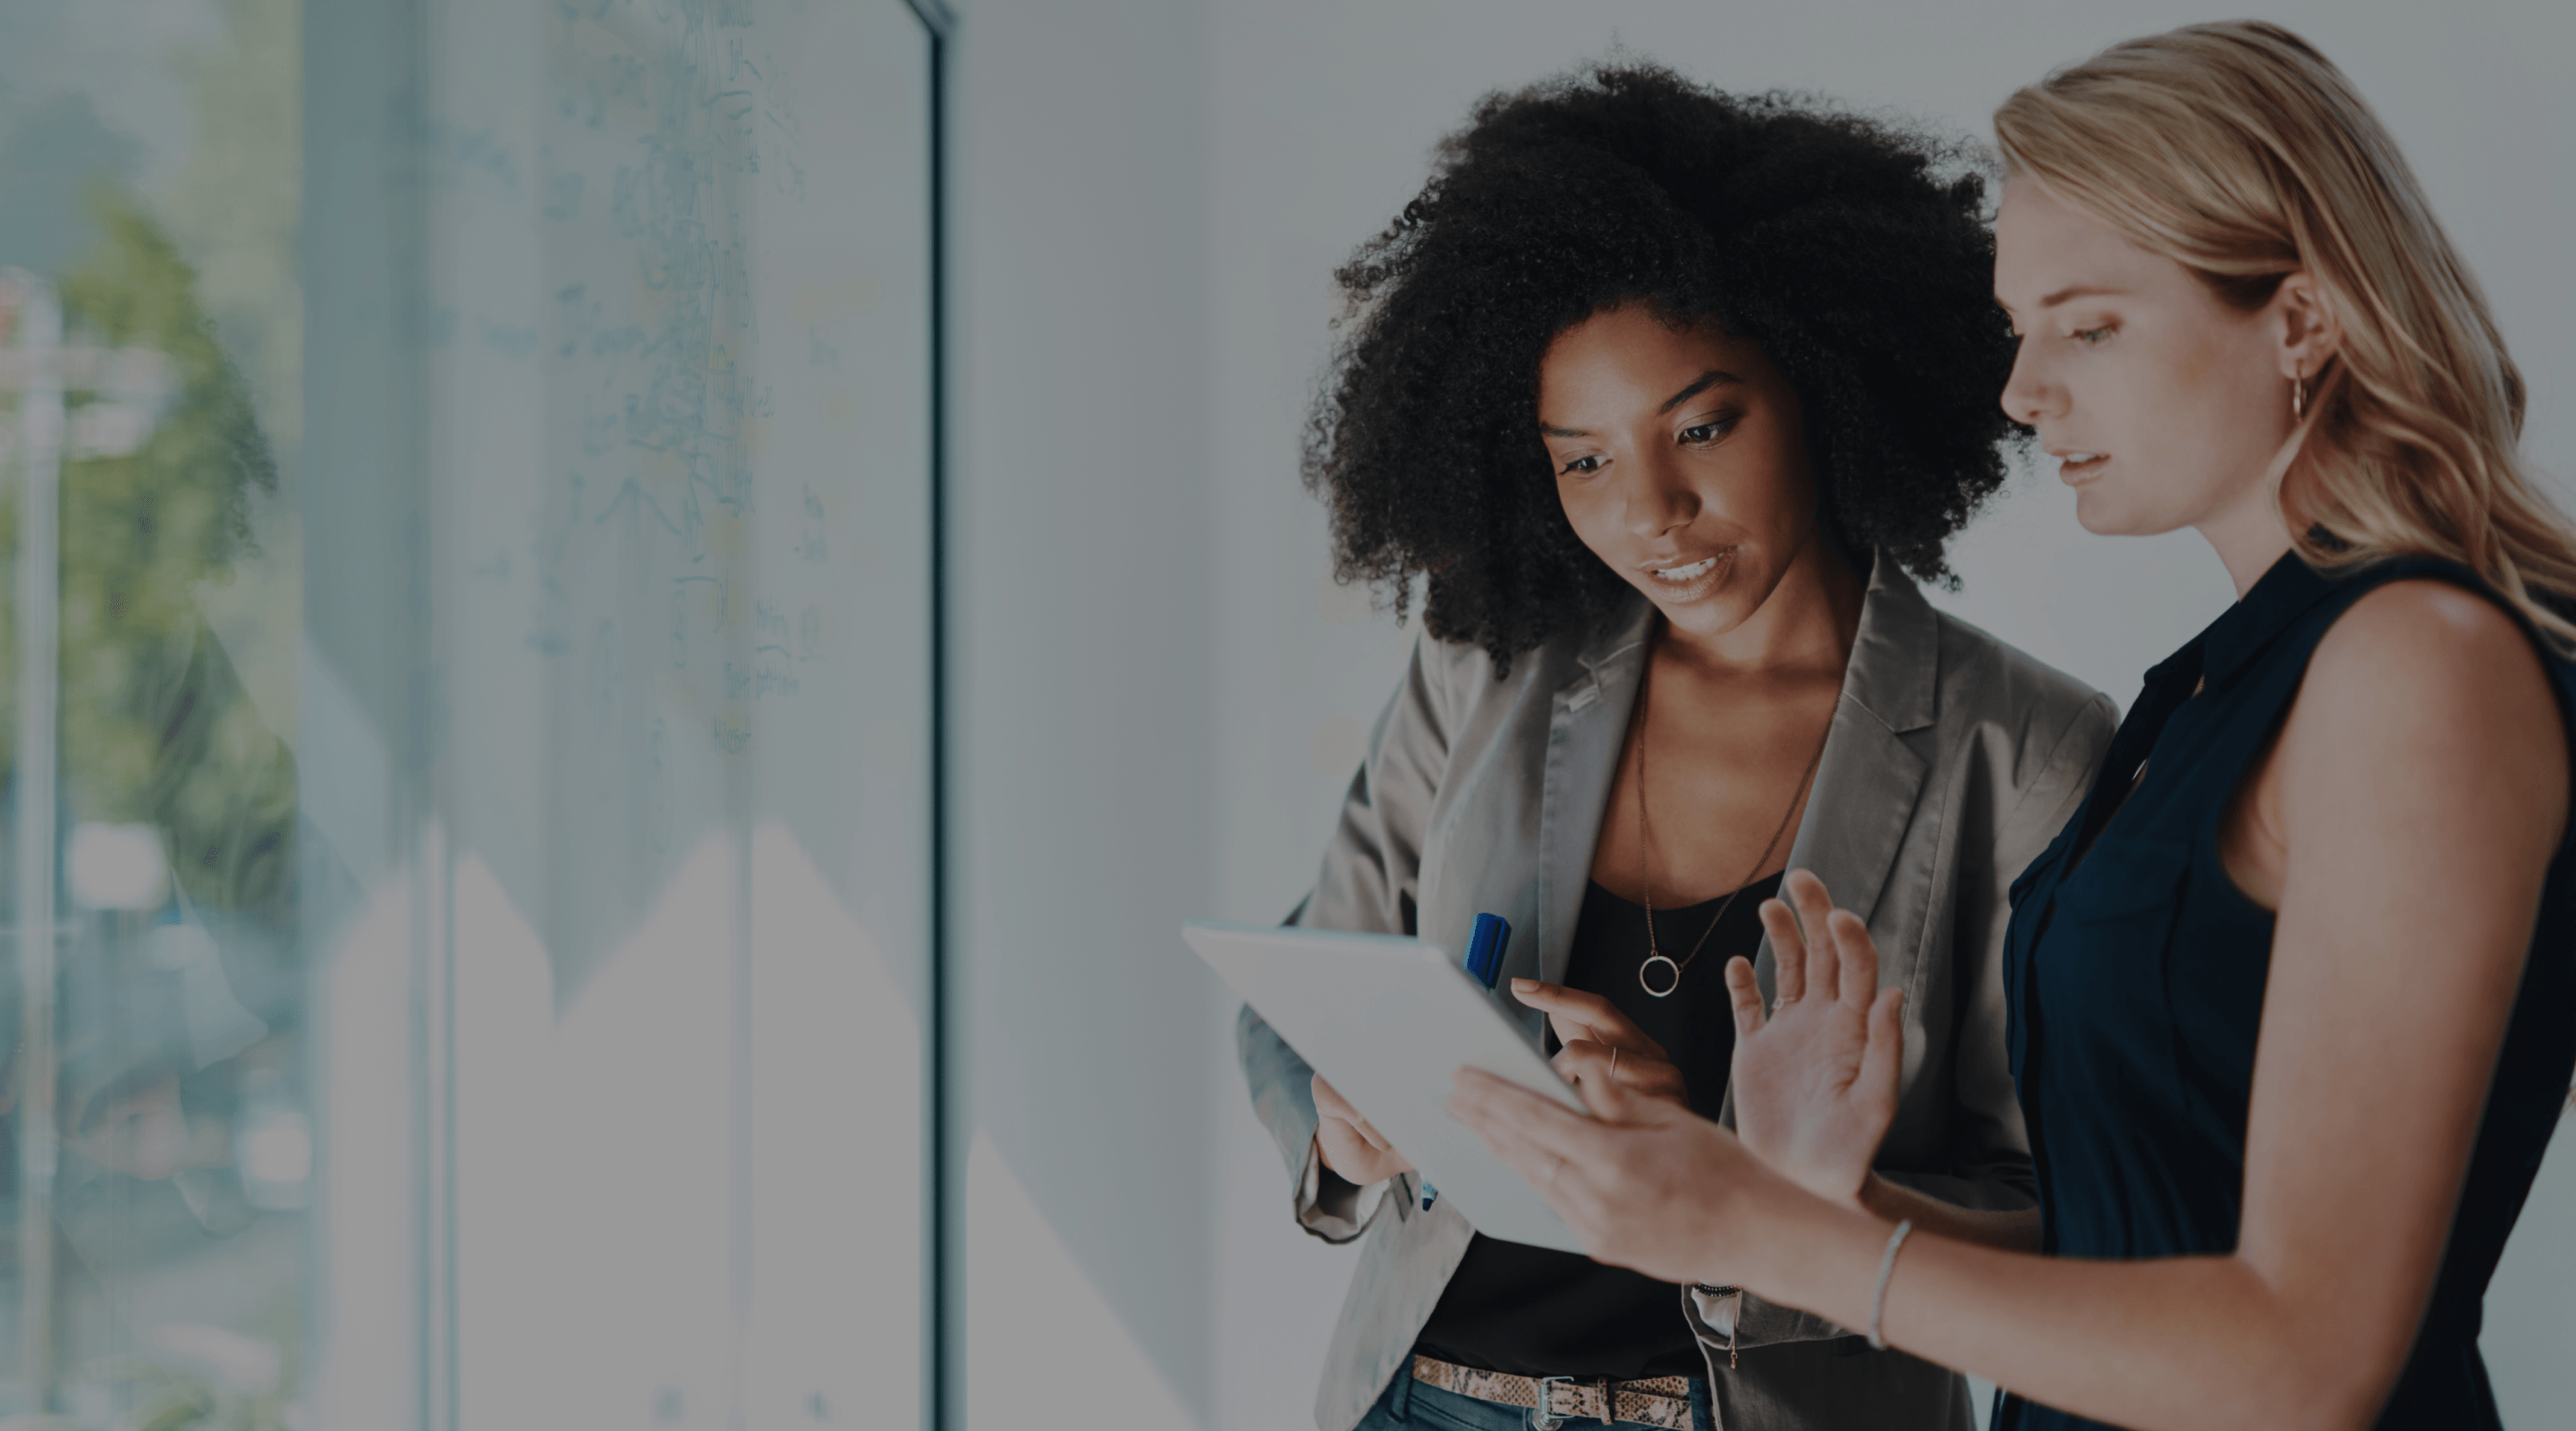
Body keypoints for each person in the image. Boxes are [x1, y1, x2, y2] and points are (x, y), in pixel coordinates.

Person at [1449, 22, 2576, 1431]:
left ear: (2299, 320)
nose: (2022, 392)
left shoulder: (2417, 665)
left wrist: (1769, 1240)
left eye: (2088, 326)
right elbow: (2136, 1241)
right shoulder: (2220, 686)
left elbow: (2305, 1357)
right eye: (2020, 326)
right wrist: (1809, 1189)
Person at [1235, 65, 2115, 1431]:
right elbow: (1303, 990)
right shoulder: (1485, 661)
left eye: (1703, 426)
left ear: (1825, 384)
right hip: (1421, 1401)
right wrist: (1344, 1131)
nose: (1651, 511)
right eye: (1581, 460)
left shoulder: (2030, 751)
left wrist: (1741, 1178)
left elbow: (2055, 1204)